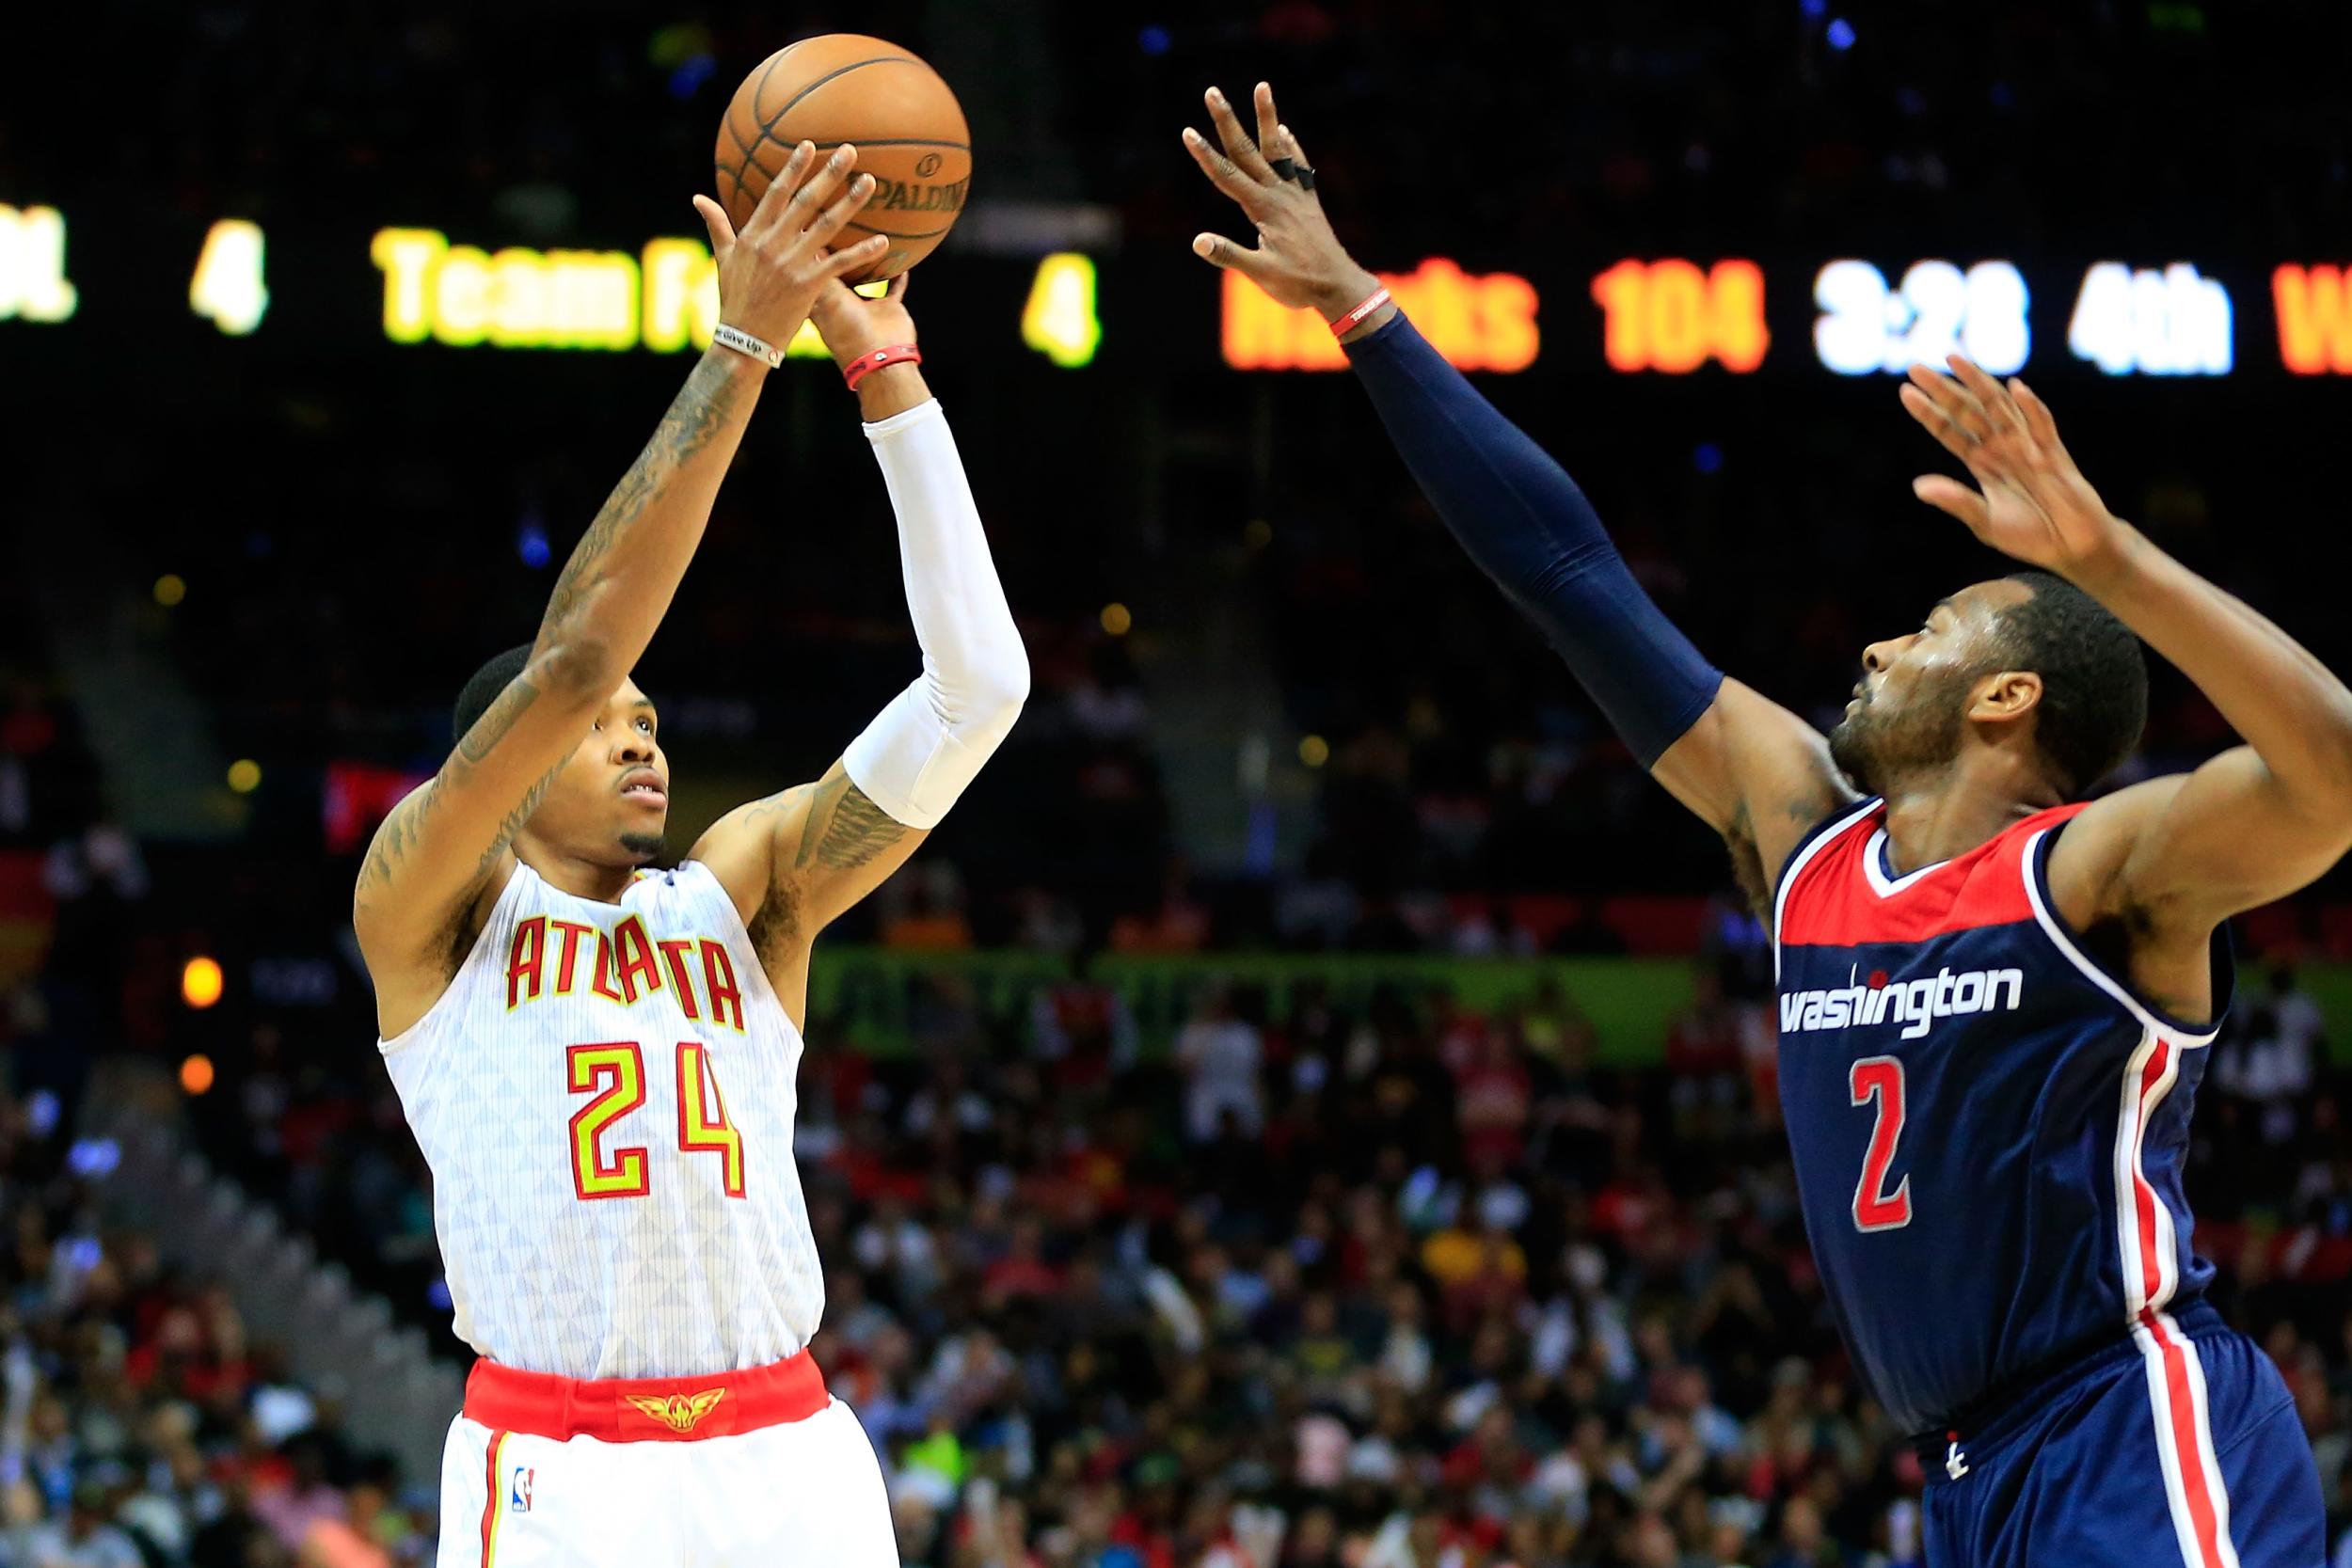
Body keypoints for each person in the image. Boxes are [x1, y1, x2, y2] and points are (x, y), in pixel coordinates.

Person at [1182, 80, 2341, 1567]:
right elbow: (1566, 573)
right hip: (1967, 1472)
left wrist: (2111, 559)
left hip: (2128, 1424)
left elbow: (2335, 777)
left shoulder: (2093, 872)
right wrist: (1359, 308)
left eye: (1929, 630)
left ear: (2009, 700)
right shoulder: (1807, 844)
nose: (1875, 651)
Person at [353, 142, 1027, 1567]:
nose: (639, 734)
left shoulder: (745, 894)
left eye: (652, 720)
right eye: (604, 727)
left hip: (791, 1453)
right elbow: (580, 648)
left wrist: (886, 370)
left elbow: (982, 687)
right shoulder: (430, 910)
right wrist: (742, 341)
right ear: (510, 769)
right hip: (565, 1464)